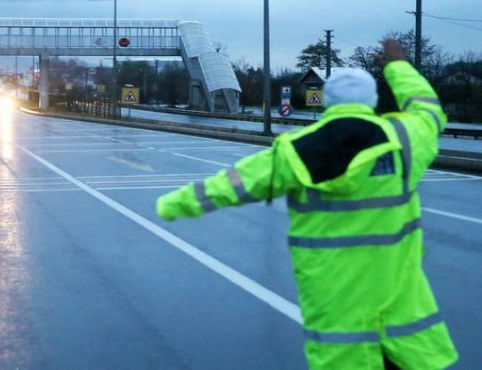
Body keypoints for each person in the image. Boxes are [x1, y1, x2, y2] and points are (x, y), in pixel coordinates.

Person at [156, 39, 459, 369]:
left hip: (337, 313)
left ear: (328, 101)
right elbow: (426, 107)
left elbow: (233, 184)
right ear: (371, 101)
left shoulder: (293, 151)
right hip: (405, 319)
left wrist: (173, 204)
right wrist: (397, 65)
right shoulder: (406, 138)